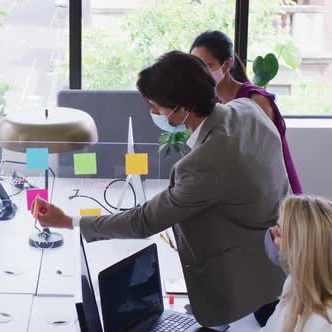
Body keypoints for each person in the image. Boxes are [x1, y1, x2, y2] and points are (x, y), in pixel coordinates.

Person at [34, 51, 289, 328]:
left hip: (241, 290)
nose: (153, 112)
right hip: (277, 264)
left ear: (183, 109)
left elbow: (144, 220)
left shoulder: (203, 163)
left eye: (156, 106)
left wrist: (68, 221)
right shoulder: (248, 109)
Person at [190, 30, 302, 195]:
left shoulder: (256, 99)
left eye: (207, 65)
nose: (199, 73)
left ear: (226, 65)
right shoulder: (214, 103)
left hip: (274, 193)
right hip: (246, 193)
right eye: (195, 66)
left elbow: (261, 156)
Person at [262, 195, 332, 332]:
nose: (272, 235)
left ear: (302, 251)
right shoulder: (294, 283)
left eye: (279, 232)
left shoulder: (325, 322)